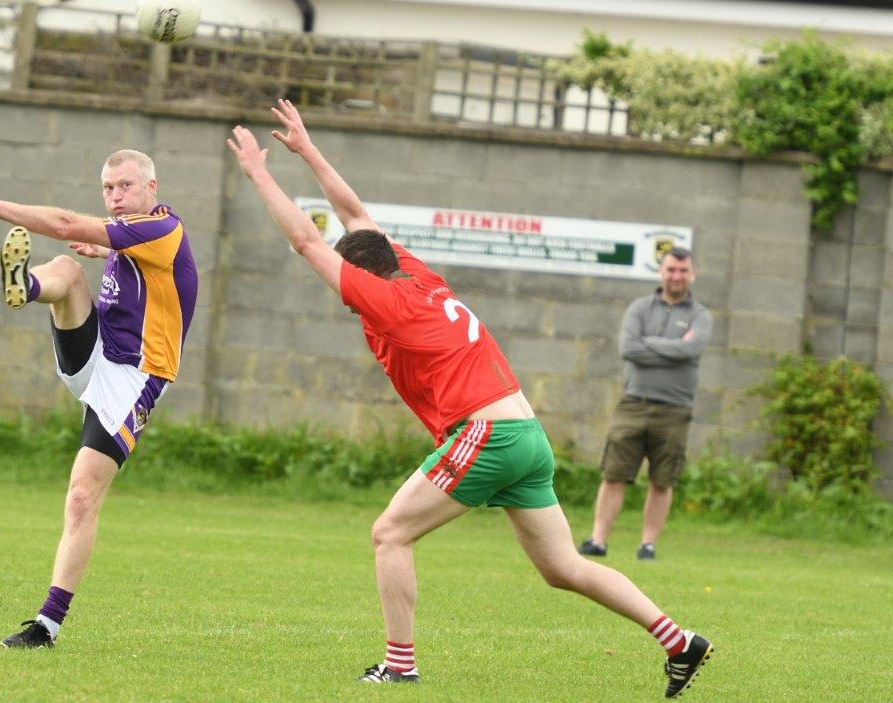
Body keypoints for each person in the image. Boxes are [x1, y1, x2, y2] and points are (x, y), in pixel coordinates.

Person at [226, 99, 712, 699]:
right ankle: (677, 639)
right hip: (526, 436)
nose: (342, 291)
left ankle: (399, 666)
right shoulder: (417, 276)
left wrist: (260, 172)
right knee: (564, 569)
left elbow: (307, 240)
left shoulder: (385, 300)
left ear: (364, 280)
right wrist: (308, 149)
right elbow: (353, 213)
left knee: (390, 534)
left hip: (488, 435)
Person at [0, 149, 198, 648]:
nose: (116, 197)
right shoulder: (140, 232)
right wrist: (108, 254)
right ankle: (25, 286)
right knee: (67, 269)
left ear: (151, 187)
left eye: (125, 186)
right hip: (96, 351)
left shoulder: (161, 231)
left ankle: (46, 625)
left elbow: (59, 220)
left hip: (133, 378)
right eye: (108, 189)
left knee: (81, 497)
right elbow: (130, 261)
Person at [578, 248, 712, 561]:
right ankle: (598, 541)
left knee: (662, 480)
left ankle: (647, 546)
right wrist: (674, 347)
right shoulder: (639, 308)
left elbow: (692, 350)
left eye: (683, 270)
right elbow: (629, 348)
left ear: (692, 274)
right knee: (613, 473)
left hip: (675, 409)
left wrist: (650, 343)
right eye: (671, 270)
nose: (676, 276)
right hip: (633, 403)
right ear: (660, 272)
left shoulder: (701, 315)